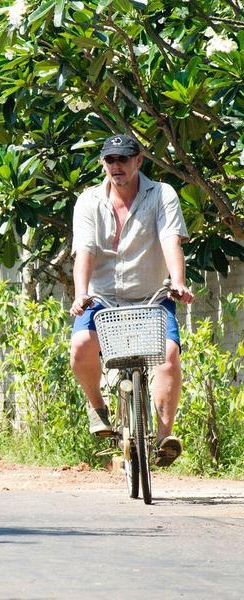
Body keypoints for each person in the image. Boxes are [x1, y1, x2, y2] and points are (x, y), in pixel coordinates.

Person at [69, 134, 194, 467]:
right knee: (81, 344)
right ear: (103, 164)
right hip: (104, 298)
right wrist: (81, 293)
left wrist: (178, 284)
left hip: (151, 296)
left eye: (123, 159)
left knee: (168, 354)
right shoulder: (88, 201)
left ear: (139, 160)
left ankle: (164, 437)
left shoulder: (162, 194)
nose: (116, 167)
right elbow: (85, 252)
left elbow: (171, 241)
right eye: (110, 160)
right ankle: (98, 407)